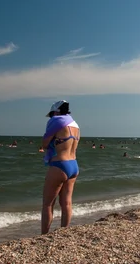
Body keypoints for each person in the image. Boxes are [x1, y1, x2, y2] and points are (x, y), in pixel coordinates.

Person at [41, 100, 80, 235]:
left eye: (52, 114)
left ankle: (44, 235)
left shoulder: (56, 121)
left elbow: (45, 144)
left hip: (59, 164)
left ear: (56, 112)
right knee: (67, 203)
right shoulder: (75, 125)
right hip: (74, 165)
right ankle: (64, 233)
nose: (51, 117)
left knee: (48, 203)